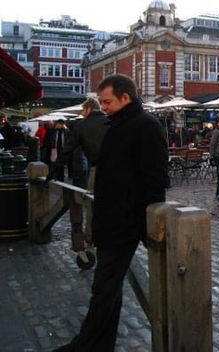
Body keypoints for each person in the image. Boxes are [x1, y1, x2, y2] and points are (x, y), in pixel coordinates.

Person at [53, 74, 168, 352]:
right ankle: (99, 343)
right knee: (108, 288)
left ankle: (87, 344)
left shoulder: (145, 126)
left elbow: (154, 181)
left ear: (126, 97)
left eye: (107, 101)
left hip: (124, 222)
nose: (103, 106)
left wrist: (147, 225)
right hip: (112, 219)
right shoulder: (117, 124)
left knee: (104, 287)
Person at [50, 97, 109, 190]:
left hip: (97, 169)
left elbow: (67, 150)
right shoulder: (111, 121)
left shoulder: (82, 125)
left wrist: (53, 171)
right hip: (116, 168)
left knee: (93, 199)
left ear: (89, 109)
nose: (82, 113)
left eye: (83, 110)